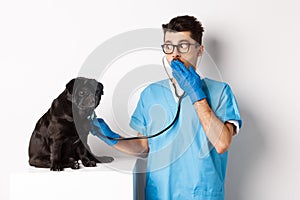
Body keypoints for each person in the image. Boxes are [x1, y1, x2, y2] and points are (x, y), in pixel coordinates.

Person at [91, 15, 242, 200]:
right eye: (169, 46)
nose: (175, 54)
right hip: (160, 194)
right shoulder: (151, 94)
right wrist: (109, 137)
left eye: (183, 46)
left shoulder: (220, 91)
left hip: (202, 194)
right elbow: (142, 147)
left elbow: (222, 143)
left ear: (200, 50)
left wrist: (197, 96)